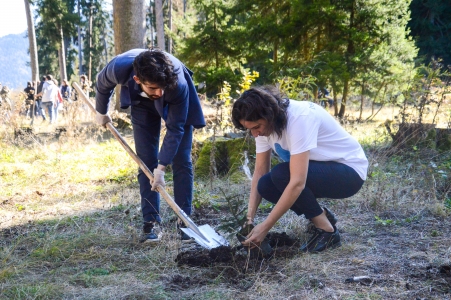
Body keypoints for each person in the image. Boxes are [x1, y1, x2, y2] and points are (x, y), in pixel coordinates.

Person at [231, 86, 368, 253]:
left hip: (349, 172)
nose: (254, 134)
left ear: (269, 115)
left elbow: (297, 182)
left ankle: (328, 232)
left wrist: (265, 226)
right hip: (320, 170)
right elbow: (260, 172)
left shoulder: (299, 119)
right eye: (249, 129)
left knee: (282, 174)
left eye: (256, 127)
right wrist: (249, 219)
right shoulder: (263, 130)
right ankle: (322, 215)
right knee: (265, 185)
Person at [95, 48, 206, 243]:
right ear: (137, 80)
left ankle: (184, 221)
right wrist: (101, 112)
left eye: (160, 88)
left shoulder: (175, 83)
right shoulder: (118, 68)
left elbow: (175, 129)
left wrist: (161, 169)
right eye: (153, 88)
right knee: (145, 161)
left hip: (177, 97)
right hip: (142, 105)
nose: (159, 93)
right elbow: (102, 85)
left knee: (182, 159)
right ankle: (151, 222)